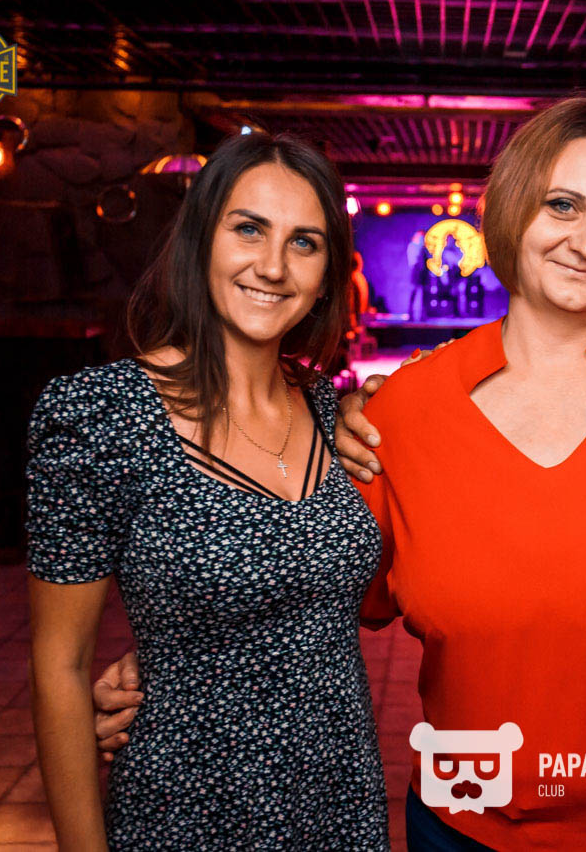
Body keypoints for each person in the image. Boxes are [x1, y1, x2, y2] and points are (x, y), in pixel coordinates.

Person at [95, 98, 586, 851]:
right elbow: (308, 597)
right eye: (562, 204)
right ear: (514, 209)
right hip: (465, 828)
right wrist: (180, 655)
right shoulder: (398, 415)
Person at [26, 131, 389, 850]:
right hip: (187, 810)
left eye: (304, 243)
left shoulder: (334, 414)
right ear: (199, 241)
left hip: (340, 802)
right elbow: (59, 668)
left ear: (328, 275)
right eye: (248, 229)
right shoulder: (100, 417)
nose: (273, 266)